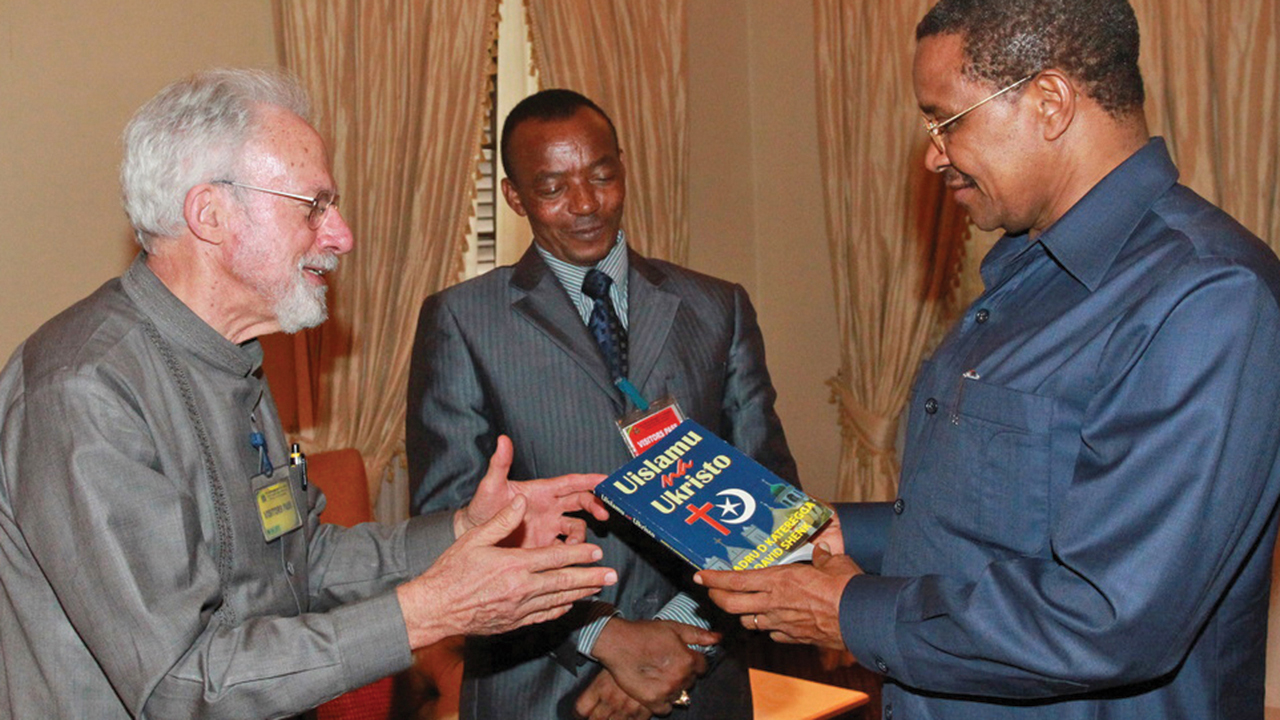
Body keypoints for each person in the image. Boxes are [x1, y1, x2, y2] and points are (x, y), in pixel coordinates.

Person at [696, 1, 1280, 718]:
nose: (932, 154)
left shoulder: (1208, 296)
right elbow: (1005, 520)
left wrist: (851, 613)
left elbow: (1108, 617)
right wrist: (845, 533)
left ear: (1050, 101)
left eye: (946, 121)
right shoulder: (1025, 273)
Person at [0, 68, 619, 720]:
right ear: (210, 214)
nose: (342, 235)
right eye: (314, 206)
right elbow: (182, 685)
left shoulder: (233, 357)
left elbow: (302, 562)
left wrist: (463, 530)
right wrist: (429, 611)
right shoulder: (82, 394)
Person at [407, 89, 798, 720]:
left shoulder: (715, 307)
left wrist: (672, 641)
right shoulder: (462, 320)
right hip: (538, 684)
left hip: (702, 670)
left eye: (602, 176)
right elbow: (449, 527)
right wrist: (604, 637)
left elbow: (770, 502)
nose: (586, 205)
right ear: (514, 197)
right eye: (554, 187)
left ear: (623, 167)